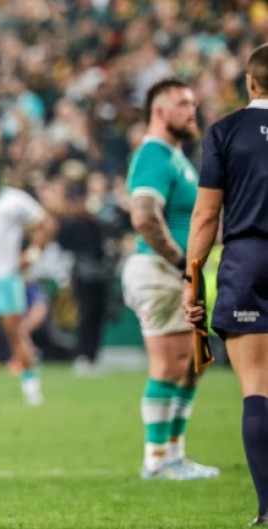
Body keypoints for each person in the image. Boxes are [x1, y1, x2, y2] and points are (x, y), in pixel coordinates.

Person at [184, 43, 268, 525]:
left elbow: (206, 214)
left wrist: (191, 279)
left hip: (248, 260)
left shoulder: (226, 131)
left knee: (257, 387)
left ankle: (266, 510)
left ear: (251, 83)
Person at [122, 79, 218, 480]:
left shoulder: (177, 157)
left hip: (182, 274)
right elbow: (144, 215)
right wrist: (183, 263)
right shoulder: (154, 155)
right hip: (161, 272)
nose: (192, 110)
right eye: (182, 104)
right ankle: (157, 459)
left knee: (193, 364)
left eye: (193, 103)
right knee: (170, 364)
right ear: (159, 111)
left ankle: (174, 454)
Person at [0, 168, 50, 406]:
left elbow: (45, 224)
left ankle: (32, 389)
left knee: (16, 333)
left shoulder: (16, 200)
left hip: (7, 276)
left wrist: (32, 254)